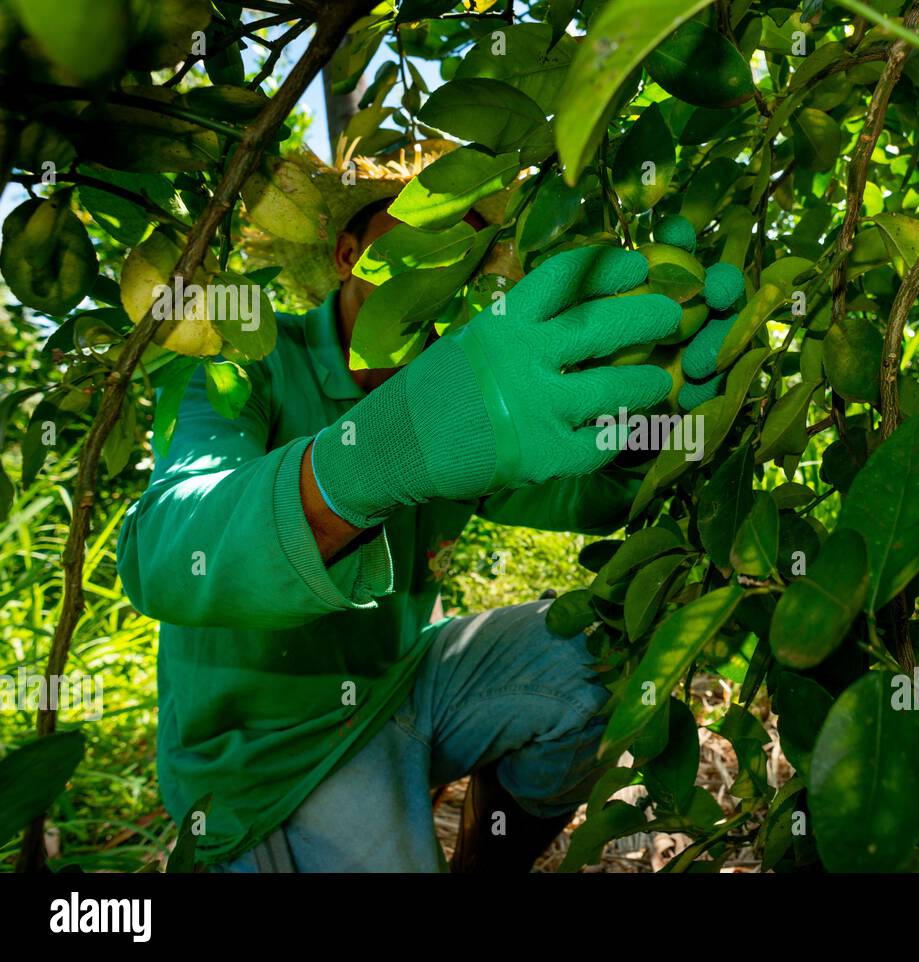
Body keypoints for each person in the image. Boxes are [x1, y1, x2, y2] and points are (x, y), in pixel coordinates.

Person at [116, 178, 744, 872]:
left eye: (459, 245)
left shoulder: (466, 374)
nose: (438, 259)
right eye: (416, 231)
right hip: (271, 751)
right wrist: (381, 458)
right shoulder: (248, 364)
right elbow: (166, 549)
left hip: (398, 683)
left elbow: (577, 496)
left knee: (591, 654)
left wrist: (649, 428)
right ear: (348, 253)